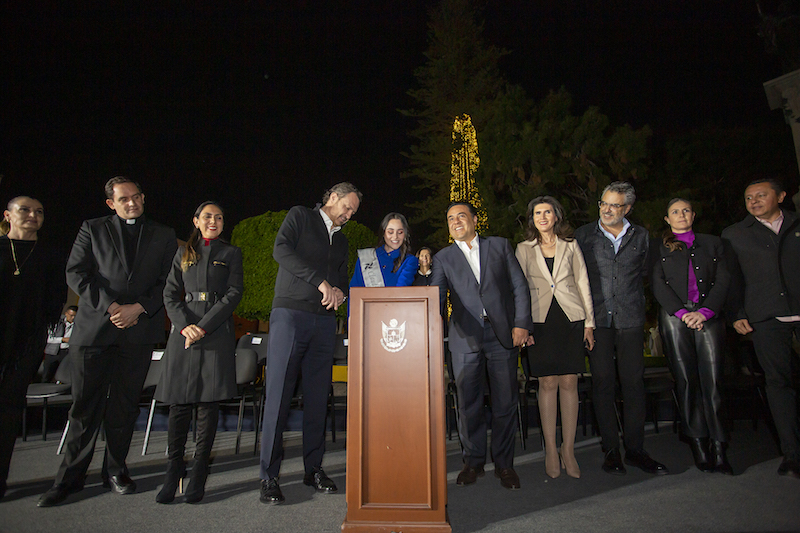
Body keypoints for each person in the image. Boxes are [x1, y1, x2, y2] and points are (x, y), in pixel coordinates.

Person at [38, 177, 177, 507]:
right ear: (111, 204)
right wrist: (114, 307)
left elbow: (170, 280)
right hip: (96, 331)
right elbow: (77, 273)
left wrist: (138, 308)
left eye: (136, 197)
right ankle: (68, 478)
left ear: (143, 198)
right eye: (124, 199)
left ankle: (115, 470)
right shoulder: (92, 228)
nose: (132, 203)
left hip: (139, 331)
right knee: (84, 408)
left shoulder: (163, 233)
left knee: (125, 406)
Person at [259, 182, 361, 504]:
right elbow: (281, 250)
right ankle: (269, 476)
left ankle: (313, 468)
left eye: (353, 212)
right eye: (346, 207)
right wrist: (321, 282)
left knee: (318, 397)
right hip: (291, 314)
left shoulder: (343, 240)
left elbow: (342, 278)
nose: (348, 215)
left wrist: (340, 293)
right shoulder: (300, 216)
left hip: (324, 322)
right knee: (279, 396)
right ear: (332, 197)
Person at [430, 202, 533, 490]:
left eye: (461, 216)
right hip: (464, 339)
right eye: (450, 218)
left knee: (504, 401)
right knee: (468, 404)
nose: (455, 221)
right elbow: (436, 299)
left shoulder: (499, 246)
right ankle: (473, 462)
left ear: (475, 220)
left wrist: (522, 324)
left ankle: (504, 465)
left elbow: (519, 287)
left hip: (503, 335)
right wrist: (425, 331)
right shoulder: (443, 258)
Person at [574, 181, 668, 476]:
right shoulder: (584, 235)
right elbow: (577, 277)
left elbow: (646, 273)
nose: (606, 209)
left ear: (627, 208)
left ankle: (636, 449)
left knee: (633, 384)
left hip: (630, 319)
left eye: (614, 205)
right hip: (598, 321)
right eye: (603, 203)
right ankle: (611, 449)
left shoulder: (641, 236)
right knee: (602, 384)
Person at [155, 201, 244, 504]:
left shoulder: (231, 253)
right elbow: (169, 293)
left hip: (215, 331)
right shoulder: (182, 254)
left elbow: (233, 294)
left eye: (219, 217)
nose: (214, 221)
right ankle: (173, 469)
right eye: (208, 217)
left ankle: (199, 472)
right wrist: (185, 326)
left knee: (207, 405)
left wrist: (203, 327)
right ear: (195, 220)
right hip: (184, 333)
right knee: (179, 403)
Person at [722, 179, 800, 479]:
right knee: (778, 385)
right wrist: (736, 313)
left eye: (761, 195)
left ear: (780, 196)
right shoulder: (735, 234)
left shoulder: (795, 225)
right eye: (748, 197)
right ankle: (792, 453)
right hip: (766, 318)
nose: (753, 201)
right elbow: (731, 278)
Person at [515, 196, 595, 479]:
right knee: (547, 383)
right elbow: (519, 289)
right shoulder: (523, 249)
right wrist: (523, 326)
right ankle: (551, 449)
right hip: (539, 320)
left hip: (570, 318)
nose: (543, 216)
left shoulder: (571, 246)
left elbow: (583, 281)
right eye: (537, 212)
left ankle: (568, 449)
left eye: (548, 211)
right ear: (532, 218)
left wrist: (589, 323)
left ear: (556, 216)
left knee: (570, 382)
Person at [651, 198, 732, 474]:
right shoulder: (658, 246)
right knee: (686, 380)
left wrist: (707, 311)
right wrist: (682, 313)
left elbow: (724, 279)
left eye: (686, 210)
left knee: (713, 382)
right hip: (675, 318)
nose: (681, 215)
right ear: (667, 219)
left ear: (694, 215)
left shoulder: (713, 243)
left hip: (708, 316)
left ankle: (720, 447)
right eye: (675, 211)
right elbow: (657, 284)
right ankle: (698, 443)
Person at [0, 196, 64, 500]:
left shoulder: (50, 255)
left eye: (39, 211)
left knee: (9, 411)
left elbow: (55, 301)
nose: (32, 215)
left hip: (26, 343)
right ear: (8, 216)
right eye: (24, 210)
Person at [350, 212, 417, 288]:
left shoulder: (409, 261)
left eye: (400, 232)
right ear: (383, 232)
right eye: (390, 232)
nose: (395, 236)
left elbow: (401, 290)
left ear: (405, 234)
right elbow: (354, 289)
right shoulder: (367, 256)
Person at [43, 305, 78, 382]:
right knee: (47, 375)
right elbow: (49, 339)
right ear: (66, 313)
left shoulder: (78, 325)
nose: (72, 318)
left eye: (75, 316)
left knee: (61, 375)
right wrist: (62, 339)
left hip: (66, 351)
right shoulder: (57, 322)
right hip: (52, 352)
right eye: (71, 315)